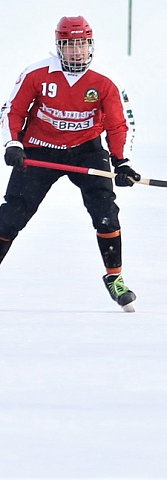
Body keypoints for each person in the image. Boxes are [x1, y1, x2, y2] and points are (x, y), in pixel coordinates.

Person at [0, 16, 140, 311]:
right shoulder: (36, 73)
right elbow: (12, 110)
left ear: (91, 46)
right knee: (12, 216)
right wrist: (13, 143)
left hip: (86, 150)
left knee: (106, 214)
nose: (76, 52)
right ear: (58, 47)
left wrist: (122, 161)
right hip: (40, 150)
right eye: (69, 45)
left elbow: (119, 124)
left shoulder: (105, 79)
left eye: (82, 45)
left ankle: (115, 279)